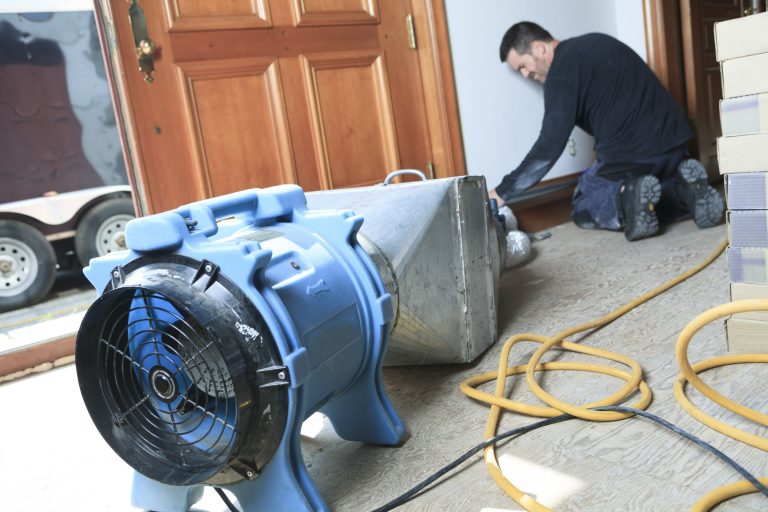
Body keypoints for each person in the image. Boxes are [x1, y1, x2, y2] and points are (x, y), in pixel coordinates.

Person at [489, 22, 724, 241]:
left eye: (522, 65)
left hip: (636, 157)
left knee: (583, 203)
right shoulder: (597, 41)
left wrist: (503, 191)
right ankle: (684, 192)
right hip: (676, 144)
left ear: (539, 48)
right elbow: (616, 108)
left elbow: (548, 147)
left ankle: (628, 198)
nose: (525, 75)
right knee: (642, 186)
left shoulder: (560, 74)